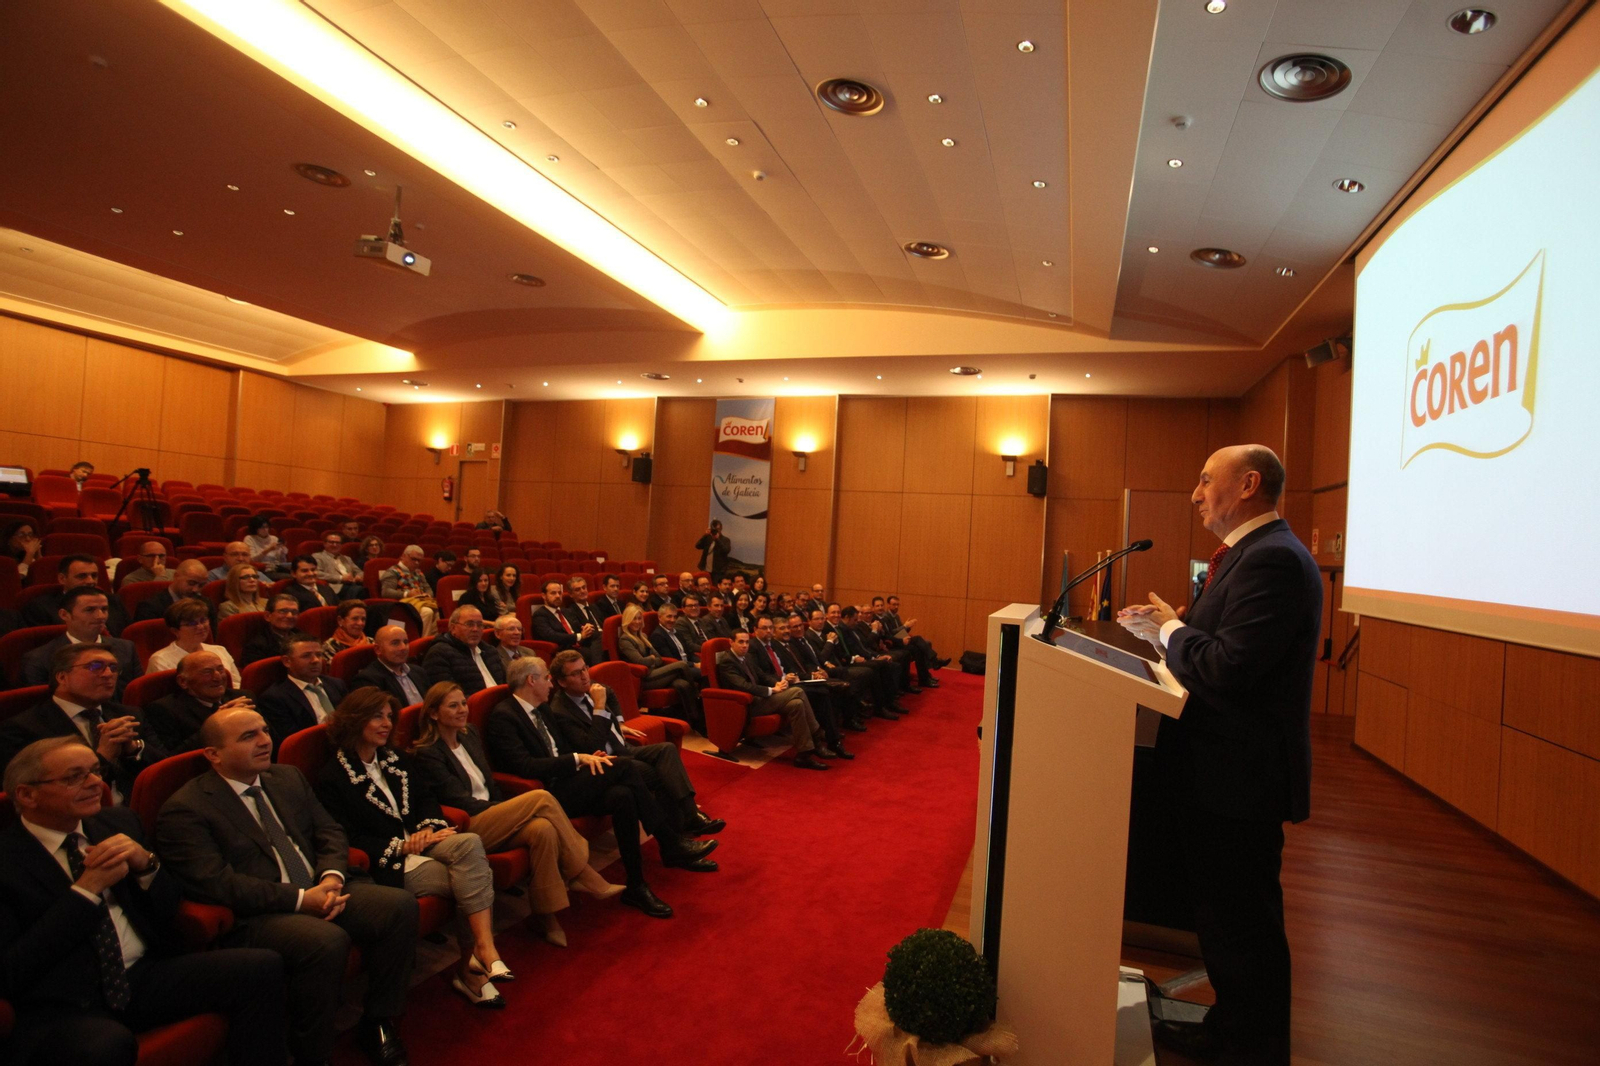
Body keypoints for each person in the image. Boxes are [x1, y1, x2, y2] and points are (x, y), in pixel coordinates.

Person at [1116, 444, 1320, 1066]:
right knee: (1226, 923)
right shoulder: (1250, 556)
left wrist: (1173, 632)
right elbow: (1224, 651)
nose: (1197, 492)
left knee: (1244, 928)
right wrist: (1170, 631)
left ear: (1249, 484)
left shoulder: (1274, 560)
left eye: (1207, 480)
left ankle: (1252, 1050)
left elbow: (1227, 669)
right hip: (1220, 776)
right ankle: (1232, 1031)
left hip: (1238, 782)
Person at [0, 736, 288, 1066]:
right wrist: (84, 892)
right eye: (74, 777)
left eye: (95, 771)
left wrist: (147, 866)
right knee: (106, 1045)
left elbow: (168, 910)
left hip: (141, 974)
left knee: (262, 966)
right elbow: (12, 970)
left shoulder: (117, 823)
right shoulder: (8, 861)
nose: (96, 783)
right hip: (65, 999)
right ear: (26, 794)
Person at [154, 706, 417, 1066]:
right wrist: (299, 900)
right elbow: (216, 884)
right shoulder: (187, 807)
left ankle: (379, 1020)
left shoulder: (287, 777)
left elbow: (330, 832)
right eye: (248, 736)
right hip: (261, 913)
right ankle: (313, 1052)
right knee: (325, 940)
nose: (264, 741)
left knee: (398, 905)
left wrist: (330, 878)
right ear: (213, 755)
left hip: (321, 884)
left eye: (264, 730)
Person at [313, 688, 507, 1009]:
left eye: (390, 716)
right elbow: (343, 835)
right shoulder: (334, 776)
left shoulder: (394, 758)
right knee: (472, 878)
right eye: (377, 716)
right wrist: (402, 846)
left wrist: (428, 826)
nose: (386, 723)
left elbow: (426, 797)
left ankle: (481, 953)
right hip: (392, 861)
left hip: (424, 841)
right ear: (355, 719)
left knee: (470, 844)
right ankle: (472, 964)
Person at [483, 657, 714, 919]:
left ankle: (636, 885)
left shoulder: (542, 709)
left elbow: (562, 747)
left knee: (623, 795)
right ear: (530, 681)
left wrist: (584, 755)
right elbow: (524, 766)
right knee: (625, 768)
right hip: (547, 794)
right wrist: (577, 759)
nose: (550, 683)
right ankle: (670, 842)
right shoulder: (505, 716)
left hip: (572, 779)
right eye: (546, 678)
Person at [410, 681, 623, 950]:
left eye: (463, 703)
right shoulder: (428, 753)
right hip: (467, 824)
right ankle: (579, 868)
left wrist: (509, 810)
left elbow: (491, 784)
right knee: (541, 798)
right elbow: (459, 802)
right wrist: (509, 811)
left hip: (495, 811)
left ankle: (546, 917)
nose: (462, 709)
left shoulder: (470, 734)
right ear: (433, 714)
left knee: (542, 829)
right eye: (453, 706)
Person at [546, 649, 723, 838]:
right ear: (562, 682)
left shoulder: (590, 687)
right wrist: (599, 707)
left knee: (666, 749)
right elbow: (592, 747)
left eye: (584, 669)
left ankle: (689, 815)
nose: (584, 676)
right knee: (659, 773)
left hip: (623, 747)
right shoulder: (560, 711)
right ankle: (677, 830)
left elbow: (611, 693)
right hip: (609, 761)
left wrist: (620, 722)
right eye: (576, 673)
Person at [0, 644, 166, 804]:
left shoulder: (129, 714)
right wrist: (102, 757)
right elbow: (35, 796)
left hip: (133, 812)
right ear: (62, 677)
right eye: (95, 666)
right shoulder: (24, 728)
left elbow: (164, 770)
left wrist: (133, 749)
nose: (108, 674)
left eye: (114, 668)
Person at [715, 629, 834, 769]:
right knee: (798, 691)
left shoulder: (747, 657)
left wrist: (776, 683)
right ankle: (817, 734)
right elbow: (742, 686)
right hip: (746, 704)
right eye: (740, 642)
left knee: (796, 704)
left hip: (760, 699)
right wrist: (772, 690)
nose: (744, 645)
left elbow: (762, 675)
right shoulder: (727, 661)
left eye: (747, 642)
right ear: (731, 642)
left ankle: (804, 754)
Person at [755, 616, 850, 758]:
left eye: (787, 627)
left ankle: (830, 738)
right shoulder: (765, 646)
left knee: (823, 691)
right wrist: (784, 680)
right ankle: (825, 738)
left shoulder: (787, 644)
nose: (787, 631)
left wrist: (813, 673)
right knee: (821, 692)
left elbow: (799, 666)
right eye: (782, 628)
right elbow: (762, 674)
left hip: (794, 680)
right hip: (780, 687)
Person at [20, 586, 141, 696]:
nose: (100, 616)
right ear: (64, 615)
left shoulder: (126, 648)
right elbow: (42, 709)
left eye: (104, 609)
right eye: (89, 610)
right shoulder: (39, 659)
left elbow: (135, 696)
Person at [143, 650, 252, 753]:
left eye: (220, 669)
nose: (218, 677)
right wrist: (217, 722)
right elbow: (173, 758)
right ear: (183, 681)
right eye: (207, 672)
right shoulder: (165, 710)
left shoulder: (243, 697)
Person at [255, 634, 348, 752]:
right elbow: (293, 743)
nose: (315, 660)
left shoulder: (336, 684)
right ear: (287, 661)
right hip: (314, 753)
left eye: (319, 655)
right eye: (306, 656)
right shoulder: (275, 698)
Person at [616, 603, 702, 728]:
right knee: (681, 665)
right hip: (644, 679)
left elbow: (659, 659)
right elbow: (640, 662)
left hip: (656, 673)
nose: (637, 622)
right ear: (627, 620)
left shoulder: (643, 636)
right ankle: (696, 695)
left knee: (681, 684)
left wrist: (651, 659)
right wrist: (651, 659)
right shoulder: (625, 640)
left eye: (640, 618)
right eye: (634, 618)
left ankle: (693, 720)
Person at [23, 555, 131, 637]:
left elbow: (127, 635)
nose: (90, 581)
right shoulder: (41, 607)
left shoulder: (112, 600)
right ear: (62, 579)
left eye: (94, 576)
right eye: (82, 576)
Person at [146, 598, 241, 687]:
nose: (200, 627)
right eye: (191, 623)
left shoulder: (219, 650)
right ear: (175, 631)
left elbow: (236, 684)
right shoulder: (161, 660)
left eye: (203, 620)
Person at [422, 605, 507, 696]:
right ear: (453, 628)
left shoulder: (490, 651)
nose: (475, 629)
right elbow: (447, 698)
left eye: (479, 625)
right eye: (469, 624)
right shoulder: (439, 654)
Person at [351, 625, 429, 707]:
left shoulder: (419, 672)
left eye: (406, 642)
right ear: (378, 649)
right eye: (395, 643)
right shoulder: (368, 680)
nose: (403, 648)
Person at [379, 545, 438, 637]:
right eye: (413, 559)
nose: (416, 563)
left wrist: (427, 595)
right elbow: (386, 592)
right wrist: (407, 594)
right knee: (427, 612)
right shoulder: (392, 572)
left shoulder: (418, 573)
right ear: (403, 556)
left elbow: (428, 589)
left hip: (420, 601)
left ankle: (431, 640)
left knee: (437, 611)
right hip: (404, 603)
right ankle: (421, 642)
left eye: (419, 560)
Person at [133, 560, 214, 627]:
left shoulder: (207, 604)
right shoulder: (150, 607)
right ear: (176, 576)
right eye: (191, 583)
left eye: (201, 585)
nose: (195, 590)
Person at [239, 593, 301, 666]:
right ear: (268, 616)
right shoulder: (256, 647)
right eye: (283, 611)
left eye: (294, 612)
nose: (290, 616)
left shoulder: (303, 637)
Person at [563, 575, 608, 666]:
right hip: (588, 641)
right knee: (598, 635)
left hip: (604, 639)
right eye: (578, 589)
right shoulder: (570, 611)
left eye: (584, 587)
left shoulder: (594, 607)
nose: (582, 591)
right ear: (571, 594)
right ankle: (597, 669)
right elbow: (578, 632)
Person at [313, 531, 365, 599]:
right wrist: (341, 578)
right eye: (331, 542)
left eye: (338, 543)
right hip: (335, 587)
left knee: (365, 588)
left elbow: (360, 572)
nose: (335, 545)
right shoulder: (318, 557)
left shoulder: (347, 558)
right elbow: (317, 573)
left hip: (352, 584)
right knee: (359, 590)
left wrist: (359, 576)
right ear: (325, 544)